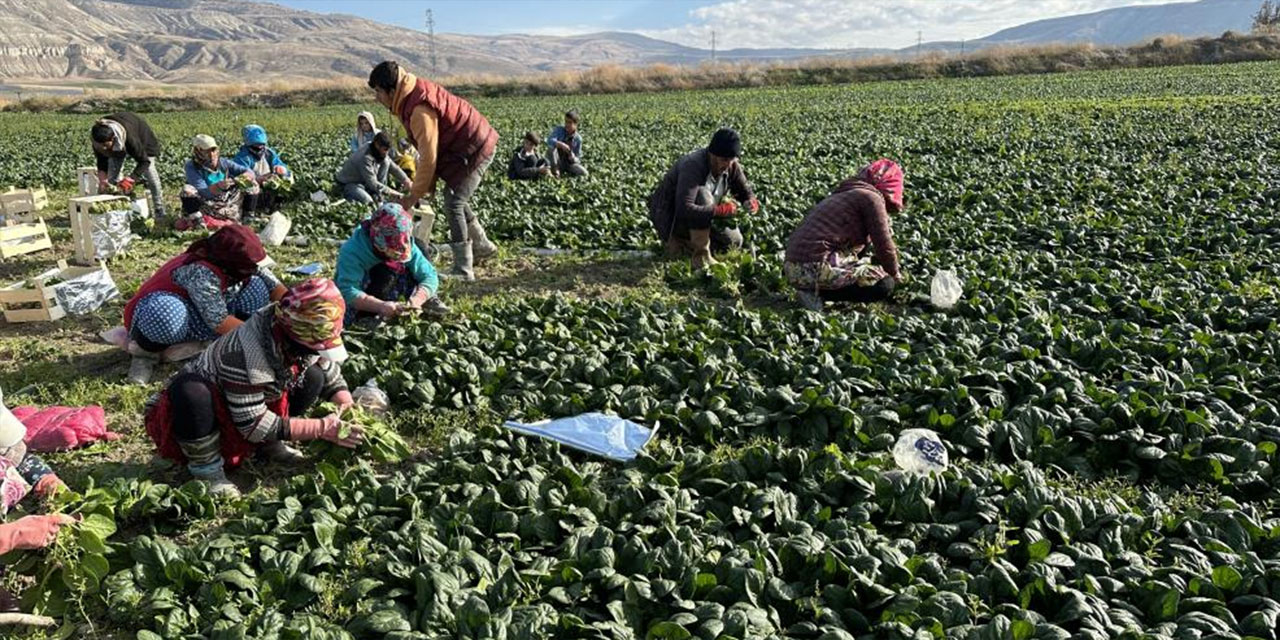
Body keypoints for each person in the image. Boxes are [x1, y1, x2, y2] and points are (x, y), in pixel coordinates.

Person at [144, 278, 361, 497]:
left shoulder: (294, 325)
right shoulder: (245, 352)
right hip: (211, 413)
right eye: (314, 347)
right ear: (295, 337)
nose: (317, 352)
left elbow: (328, 369)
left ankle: (269, 446)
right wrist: (321, 428)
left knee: (314, 376)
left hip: (251, 401)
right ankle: (207, 471)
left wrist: (346, 404)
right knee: (191, 391)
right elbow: (252, 424)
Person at [368, 60, 500, 281]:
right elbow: (427, 150)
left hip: (475, 147)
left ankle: (463, 268)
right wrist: (425, 188)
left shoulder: (418, 109)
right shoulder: (408, 96)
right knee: (455, 196)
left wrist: (413, 196)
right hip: (462, 148)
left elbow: (429, 157)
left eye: (379, 92)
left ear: (392, 91)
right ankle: (483, 246)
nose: (377, 98)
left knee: (454, 202)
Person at [122, 225, 286, 385]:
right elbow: (219, 321)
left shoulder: (239, 259)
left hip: (204, 313)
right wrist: (267, 340)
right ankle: (145, 354)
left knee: (256, 285)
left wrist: (296, 312)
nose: (253, 268)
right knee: (165, 314)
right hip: (166, 316)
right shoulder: (202, 271)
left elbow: (275, 288)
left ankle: (234, 340)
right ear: (230, 264)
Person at [784, 159, 906, 310]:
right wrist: (895, 274)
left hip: (793, 269)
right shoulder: (872, 198)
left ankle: (812, 289)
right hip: (815, 269)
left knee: (865, 262)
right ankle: (817, 294)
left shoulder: (847, 192)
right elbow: (883, 244)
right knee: (884, 284)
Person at [649, 127, 759, 270]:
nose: (727, 164)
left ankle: (685, 247)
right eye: (724, 159)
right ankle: (700, 256)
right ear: (712, 154)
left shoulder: (731, 166)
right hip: (672, 219)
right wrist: (720, 211)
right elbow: (684, 209)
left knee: (733, 241)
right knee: (702, 194)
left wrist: (751, 202)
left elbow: (745, 192)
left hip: (703, 215)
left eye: (732, 160)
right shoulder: (693, 166)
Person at [336, 203, 447, 325]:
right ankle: (366, 317)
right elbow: (348, 291)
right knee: (385, 272)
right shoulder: (353, 251)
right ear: (379, 244)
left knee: (421, 247)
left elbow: (429, 275)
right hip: (365, 292)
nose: (397, 255)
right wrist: (380, 306)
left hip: (392, 287)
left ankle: (427, 301)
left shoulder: (403, 239)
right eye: (393, 252)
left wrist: (417, 299)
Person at [91, 112, 167, 221]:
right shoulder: (98, 137)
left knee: (151, 176)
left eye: (106, 145)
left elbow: (144, 162)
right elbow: (102, 160)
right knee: (112, 180)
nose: (103, 148)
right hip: (117, 146)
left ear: (113, 139)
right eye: (100, 146)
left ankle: (159, 209)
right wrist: (103, 180)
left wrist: (132, 178)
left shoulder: (131, 140)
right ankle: (113, 212)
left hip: (142, 139)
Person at [179, 135, 263, 230]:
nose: (211, 154)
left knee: (252, 183)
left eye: (213, 150)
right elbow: (203, 191)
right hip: (207, 204)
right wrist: (218, 186)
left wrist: (241, 178)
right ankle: (198, 221)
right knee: (187, 190)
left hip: (227, 201)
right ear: (198, 152)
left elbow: (249, 172)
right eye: (206, 151)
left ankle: (248, 217)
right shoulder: (192, 167)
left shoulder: (223, 163)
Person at [335, 131, 411, 205]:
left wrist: (406, 180)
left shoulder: (378, 151)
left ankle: (380, 195)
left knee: (386, 162)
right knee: (368, 201)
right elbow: (373, 183)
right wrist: (394, 193)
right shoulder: (365, 157)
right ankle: (357, 195)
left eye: (388, 150)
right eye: (385, 150)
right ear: (377, 145)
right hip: (351, 183)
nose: (386, 152)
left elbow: (392, 166)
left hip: (366, 182)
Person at [232, 124, 293, 213]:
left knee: (287, 178)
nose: (260, 148)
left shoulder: (269, 153)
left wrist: (281, 169)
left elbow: (280, 165)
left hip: (268, 183)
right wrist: (259, 179)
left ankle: (278, 205)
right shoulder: (242, 157)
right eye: (256, 146)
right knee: (252, 186)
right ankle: (249, 212)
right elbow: (241, 179)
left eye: (262, 145)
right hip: (252, 188)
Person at [546, 109, 587, 177]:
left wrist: (573, 157)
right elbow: (549, 140)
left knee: (584, 172)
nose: (567, 124)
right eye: (566, 122)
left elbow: (578, 157)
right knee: (551, 148)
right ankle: (556, 170)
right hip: (555, 161)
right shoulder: (559, 130)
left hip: (568, 164)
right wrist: (561, 144)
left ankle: (562, 171)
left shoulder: (578, 139)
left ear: (575, 124)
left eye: (570, 122)